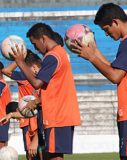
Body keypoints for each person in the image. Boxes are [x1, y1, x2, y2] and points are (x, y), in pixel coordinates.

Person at [72, 3, 127, 160]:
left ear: (115, 22)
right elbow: (114, 69)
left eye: (106, 29)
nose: (106, 34)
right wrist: (95, 51)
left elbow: (115, 76)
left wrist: (91, 57)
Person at [11, 23, 81, 160]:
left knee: (54, 156)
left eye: (35, 43)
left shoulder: (52, 56)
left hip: (57, 115)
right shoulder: (61, 53)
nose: (36, 49)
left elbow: (37, 83)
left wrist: (20, 63)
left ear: (43, 38)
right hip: (63, 113)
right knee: (54, 155)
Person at [2, 50, 45, 160]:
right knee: (35, 152)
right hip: (29, 115)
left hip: (32, 119)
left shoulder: (25, 77)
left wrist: (18, 60)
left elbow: (6, 71)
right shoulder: (38, 78)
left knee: (36, 152)